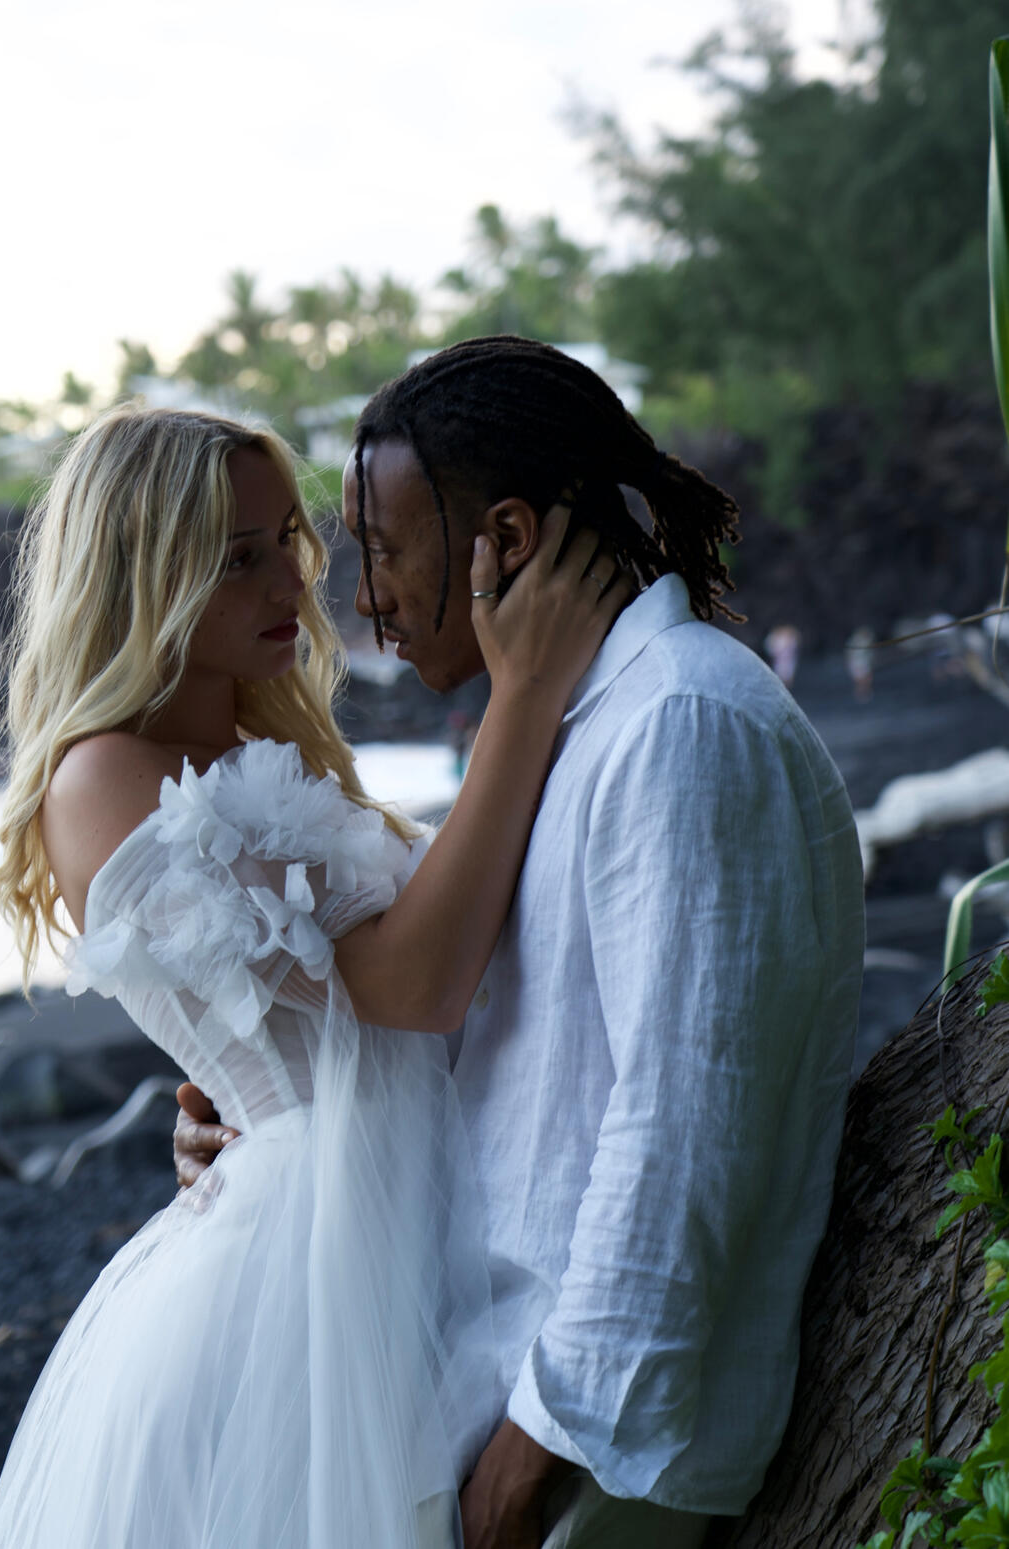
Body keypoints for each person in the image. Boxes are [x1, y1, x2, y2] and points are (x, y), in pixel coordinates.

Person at [176, 337, 866, 1548]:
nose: (366, 598)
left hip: (591, 1448)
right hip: (486, 1382)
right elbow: (497, 1046)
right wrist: (267, 1111)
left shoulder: (680, 723)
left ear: (503, 539)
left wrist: (539, 1444)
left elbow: (684, 1129)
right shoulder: (576, 724)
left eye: (386, 549)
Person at [0, 402, 628, 1548]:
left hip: (413, 1204)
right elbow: (411, 986)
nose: (294, 581)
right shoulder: (101, 775)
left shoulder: (253, 750)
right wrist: (522, 696)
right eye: (239, 558)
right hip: (309, 1262)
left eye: (288, 538)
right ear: (143, 579)